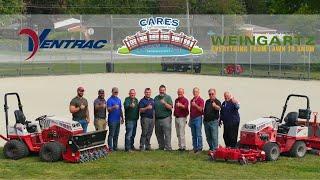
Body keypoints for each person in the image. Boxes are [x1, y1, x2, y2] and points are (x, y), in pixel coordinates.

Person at [154, 85, 173, 151]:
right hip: (157, 119)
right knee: (158, 133)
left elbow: (170, 107)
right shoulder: (156, 98)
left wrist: (165, 103)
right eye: (161, 90)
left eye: (163, 90)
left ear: (165, 90)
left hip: (166, 118)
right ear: (159, 90)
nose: (162, 91)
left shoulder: (168, 97)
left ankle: (168, 148)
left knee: (167, 133)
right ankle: (161, 147)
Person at [107, 87, 124, 151]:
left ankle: (115, 147)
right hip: (112, 120)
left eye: (117, 92)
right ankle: (110, 148)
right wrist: (113, 107)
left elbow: (120, 109)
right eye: (115, 92)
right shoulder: (109, 100)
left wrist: (122, 117)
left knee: (116, 134)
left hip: (117, 119)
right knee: (111, 134)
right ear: (112, 92)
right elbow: (108, 109)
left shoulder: (118, 99)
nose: (116, 93)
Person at [189, 87, 204, 153]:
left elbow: (201, 110)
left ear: (198, 92)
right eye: (194, 92)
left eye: (196, 92)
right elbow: (191, 110)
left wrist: (195, 105)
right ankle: (195, 148)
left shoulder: (201, 100)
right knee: (193, 134)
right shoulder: (192, 100)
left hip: (198, 118)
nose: (195, 93)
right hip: (192, 118)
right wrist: (190, 119)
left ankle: (199, 148)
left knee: (198, 134)